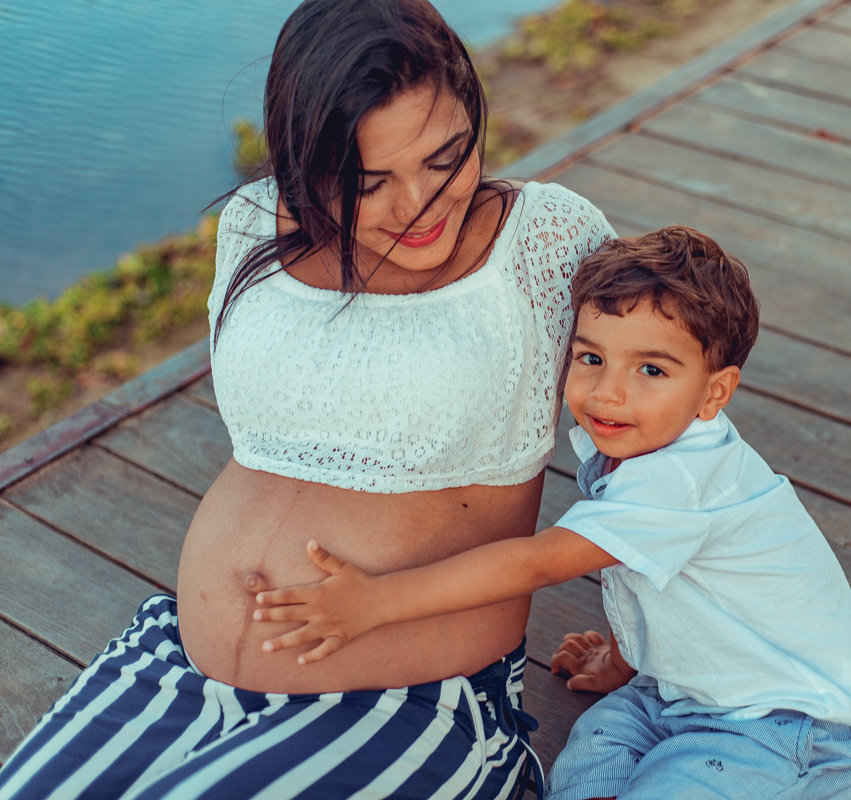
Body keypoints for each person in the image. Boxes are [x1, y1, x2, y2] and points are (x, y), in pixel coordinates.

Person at [0, 1, 615, 798]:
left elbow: (667, 455)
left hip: (411, 698)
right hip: (178, 664)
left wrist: (650, 643)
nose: (418, 205)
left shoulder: (546, 242)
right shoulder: (257, 223)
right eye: (368, 182)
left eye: (445, 159)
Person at [250, 226, 851, 799]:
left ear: (714, 391)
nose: (607, 391)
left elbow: (536, 563)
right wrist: (623, 660)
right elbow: (654, 575)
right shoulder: (643, 451)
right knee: (587, 757)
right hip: (676, 694)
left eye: (651, 369)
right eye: (591, 358)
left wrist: (377, 601)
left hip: (787, 722)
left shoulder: (677, 480)